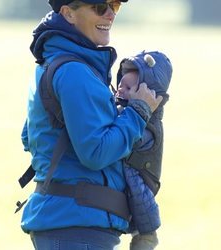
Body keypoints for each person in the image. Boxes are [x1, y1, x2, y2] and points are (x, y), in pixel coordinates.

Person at [20, 1, 163, 249]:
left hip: (70, 224)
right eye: (98, 6)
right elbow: (95, 153)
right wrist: (138, 112)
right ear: (68, 13)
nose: (109, 14)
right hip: (76, 227)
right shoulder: (75, 71)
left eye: (114, 5)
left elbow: (29, 137)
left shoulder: (58, 63)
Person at [116, 51, 173, 250]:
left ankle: (146, 236)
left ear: (149, 93)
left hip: (141, 178)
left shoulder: (149, 124)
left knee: (142, 202)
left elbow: (128, 140)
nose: (120, 90)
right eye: (120, 85)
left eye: (129, 87)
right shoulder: (125, 111)